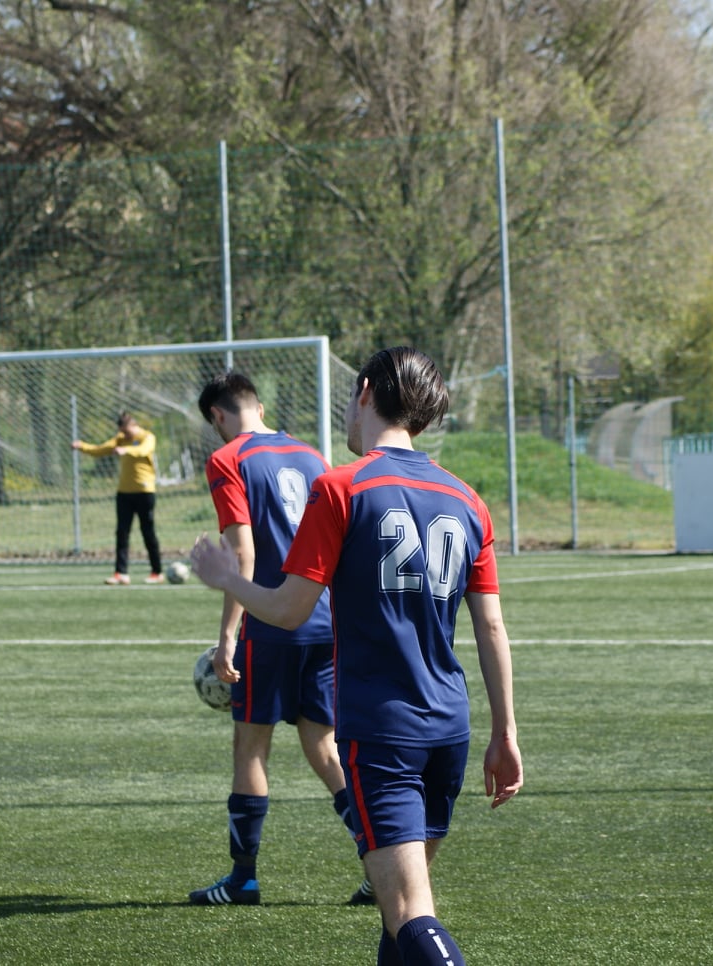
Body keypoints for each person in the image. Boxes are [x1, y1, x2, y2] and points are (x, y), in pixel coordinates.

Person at [189, 347, 522, 966]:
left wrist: (226, 578)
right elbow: (492, 627)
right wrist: (505, 734)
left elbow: (288, 609)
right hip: (450, 728)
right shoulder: (467, 498)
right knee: (398, 921)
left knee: (410, 914)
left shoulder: (343, 487)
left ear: (364, 391)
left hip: (382, 730)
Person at [188, 370, 371, 907]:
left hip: (269, 622)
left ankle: (242, 880)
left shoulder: (228, 459)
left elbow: (241, 553)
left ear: (217, 416)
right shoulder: (313, 457)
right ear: (260, 407)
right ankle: (380, 863)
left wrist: (227, 636)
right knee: (324, 747)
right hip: (323, 618)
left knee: (251, 747)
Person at [73, 411, 164, 585]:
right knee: (122, 532)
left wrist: (126, 450)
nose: (125, 435)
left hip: (145, 492)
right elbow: (101, 449)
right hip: (124, 493)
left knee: (148, 532)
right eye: (122, 432)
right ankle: (121, 573)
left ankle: (157, 572)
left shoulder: (147, 437)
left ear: (134, 426)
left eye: (127, 432)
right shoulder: (120, 438)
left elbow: (143, 450)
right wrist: (82, 446)